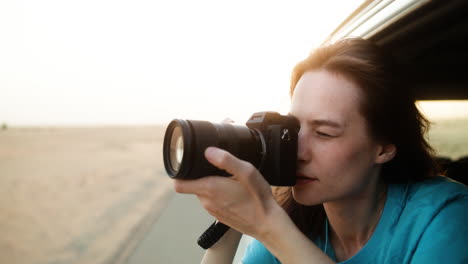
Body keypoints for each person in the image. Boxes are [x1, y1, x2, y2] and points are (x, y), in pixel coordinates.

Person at [174, 38, 468, 263]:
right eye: (293, 128)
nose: (298, 151)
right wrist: (231, 216)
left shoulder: (445, 216)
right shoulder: (293, 219)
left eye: (324, 133)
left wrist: (267, 225)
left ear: (384, 148)